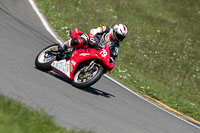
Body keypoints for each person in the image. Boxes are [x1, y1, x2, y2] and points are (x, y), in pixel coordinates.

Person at [59, 24, 128, 62]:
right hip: (91, 40)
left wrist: (111, 59)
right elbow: (97, 30)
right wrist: (93, 35)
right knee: (79, 41)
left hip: (96, 51)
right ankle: (64, 45)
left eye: (121, 37)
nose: (119, 38)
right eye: (118, 35)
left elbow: (113, 55)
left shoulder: (116, 45)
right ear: (114, 31)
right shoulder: (107, 30)